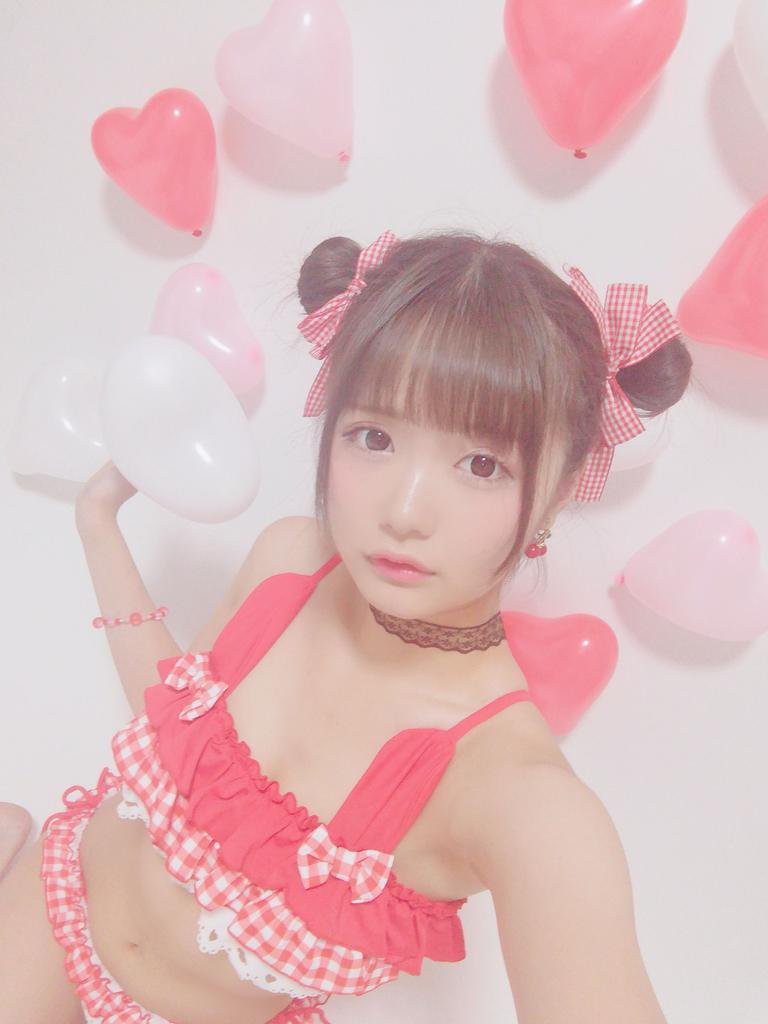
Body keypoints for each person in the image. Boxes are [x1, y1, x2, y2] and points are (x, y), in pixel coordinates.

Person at [0, 228, 692, 1024]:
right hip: (62, 898)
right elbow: (175, 723)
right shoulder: (289, 559)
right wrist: (98, 526)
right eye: (375, 437)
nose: (404, 512)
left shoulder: (522, 797)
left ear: (561, 489)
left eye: (481, 465)